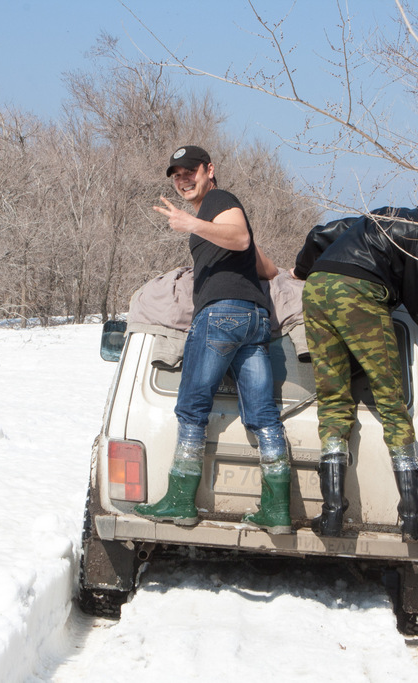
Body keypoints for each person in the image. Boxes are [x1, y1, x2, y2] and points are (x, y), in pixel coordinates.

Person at [291, 182, 418, 541]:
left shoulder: (383, 216)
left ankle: (331, 514)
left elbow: (320, 234)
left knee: (333, 398)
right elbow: (417, 298)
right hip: (358, 293)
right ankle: (412, 517)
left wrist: (301, 271)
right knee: (391, 398)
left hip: (317, 289)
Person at [134, 145, 293, 535]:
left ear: (209, 169)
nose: (183, 180)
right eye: (177, 176)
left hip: (221, 315)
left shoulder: (219, 201)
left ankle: (180, 500)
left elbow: (239, 237)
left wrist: (191, 224)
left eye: (190, 171)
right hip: (254, 319)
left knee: (192, 407)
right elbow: (266, 266)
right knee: (263, 415)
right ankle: (277, 510)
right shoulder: (216, 213)